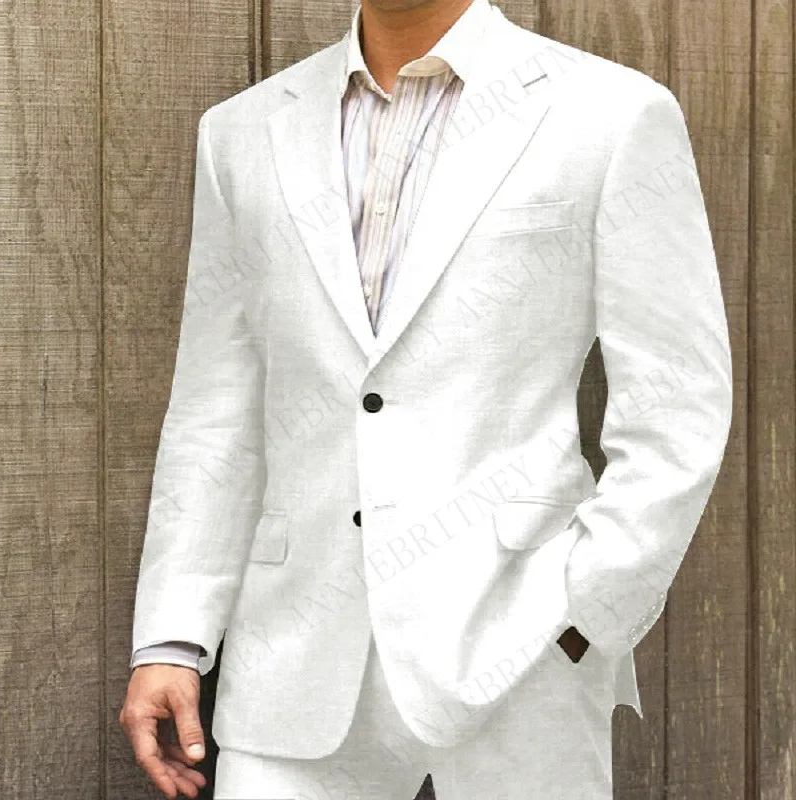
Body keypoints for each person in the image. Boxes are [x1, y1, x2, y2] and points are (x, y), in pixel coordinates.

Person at [119, 0, 733, 796]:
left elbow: (677, 402)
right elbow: (216, 410)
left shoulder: (609, 113)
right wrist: (171, 639)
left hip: (519, 650)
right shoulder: (242, 132)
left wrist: (584, 617)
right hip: (293, 662)